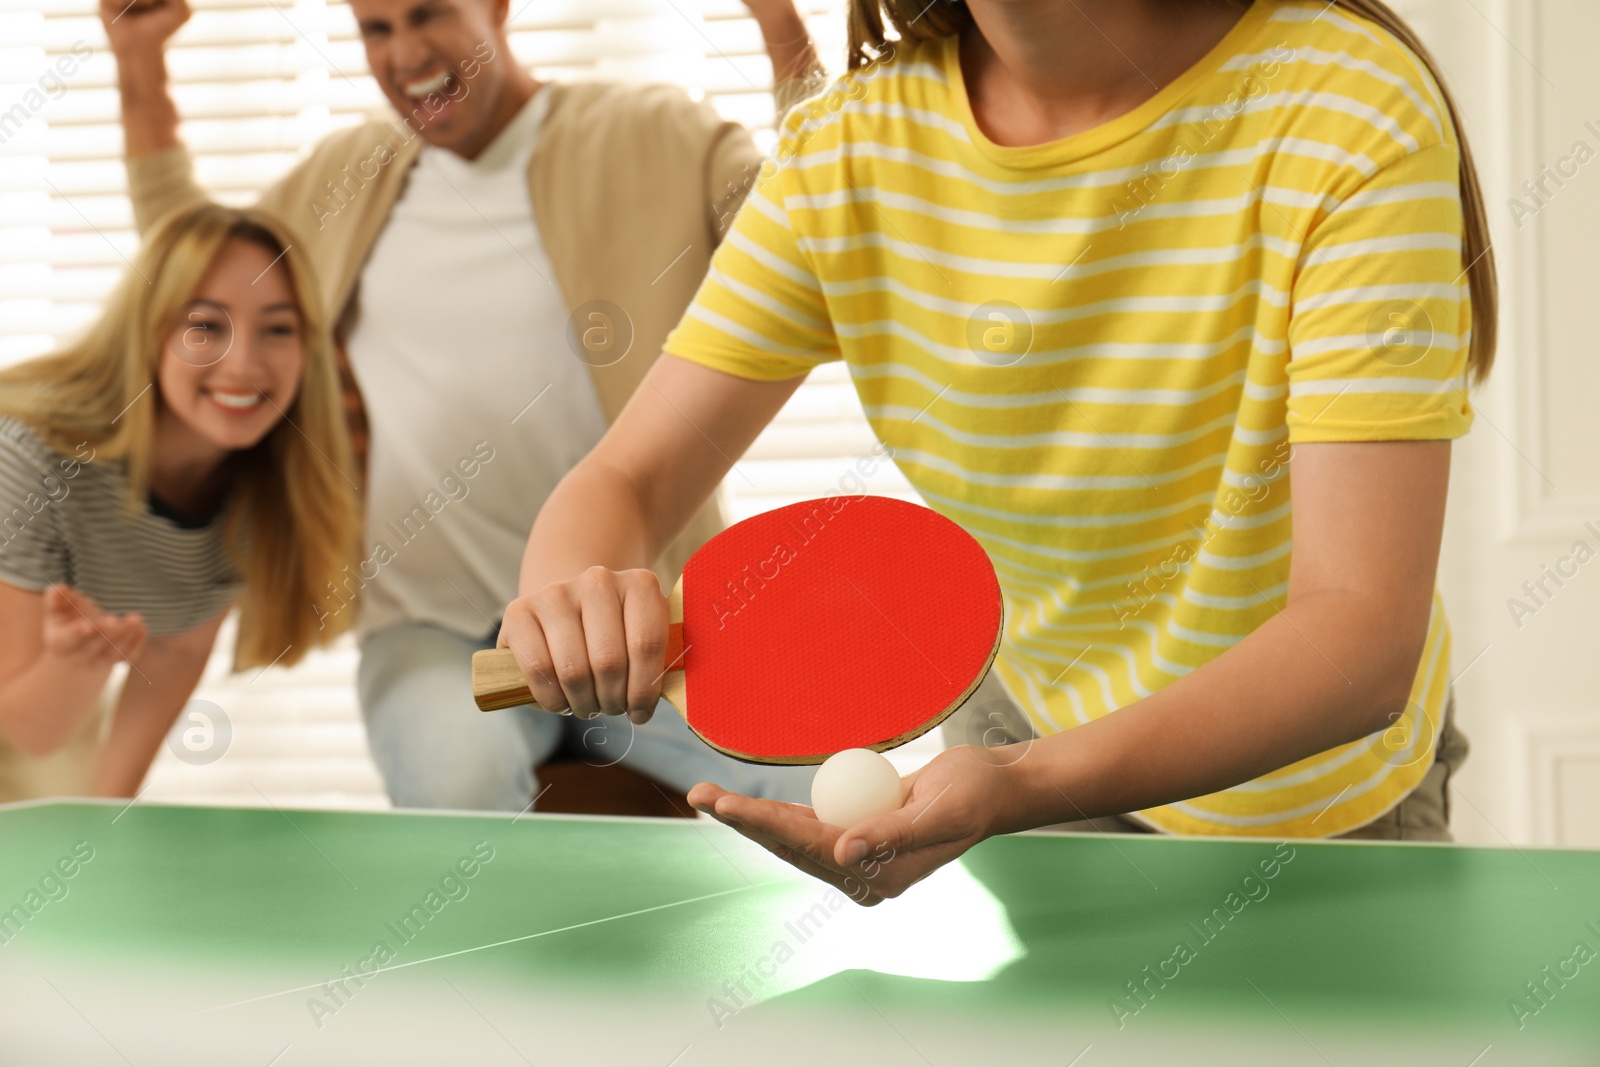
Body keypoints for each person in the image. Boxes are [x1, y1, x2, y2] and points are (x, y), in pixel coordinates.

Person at [495, 0, 1494, 901]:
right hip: (1025, 742)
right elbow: (625, 479)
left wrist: (1021, 781)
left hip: (1305, 802)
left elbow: (1357, 637)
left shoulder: (1345, 106)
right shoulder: (845, 152)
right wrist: (570, 596)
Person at [101, 0, 827, 810]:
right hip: (431, 631)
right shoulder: (340, 183)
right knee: (457, 790)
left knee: (825, 779)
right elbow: (192, 274)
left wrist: (778, 25)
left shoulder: (653, 133)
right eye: (376, 29)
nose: (405, 50)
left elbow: (811, 225)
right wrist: (139, 66)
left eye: (428, 14)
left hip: (643, 616)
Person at [0, 203, 360, 801]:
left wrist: (105, 823)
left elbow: (175, 650)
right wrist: (77, 665)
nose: (243, 365)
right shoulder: (29, 458)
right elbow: (28, 729)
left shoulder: (263, 489)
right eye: (205, 327)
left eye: (277, 328)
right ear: (149, 331)